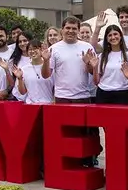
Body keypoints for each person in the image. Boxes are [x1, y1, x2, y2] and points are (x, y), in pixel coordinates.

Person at [41, 16, 98, 167]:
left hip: (83, 97)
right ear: (62, 30)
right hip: (62, 98)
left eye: (74, 28)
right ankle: (67, 164)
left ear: (78, 30)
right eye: (68, 28)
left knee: (83, 135)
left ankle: (86, 163)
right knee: (65, 134)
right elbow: (46, 75)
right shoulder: (54, 49)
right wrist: (46, 60)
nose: (71, 31)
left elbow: (93, 72)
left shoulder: (87, 47)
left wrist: (89, 64)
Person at [92, 24, 128, 105]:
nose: (113, 37)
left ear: (121, 36)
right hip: (103, 93)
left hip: (123, 93)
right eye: (110, 35)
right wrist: (94, 68)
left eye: (115, 34)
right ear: (107, 39)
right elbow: (96, 82)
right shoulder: (102, 56)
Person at [11, 36, 54, 104]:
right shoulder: (24, 69)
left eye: (35, 48)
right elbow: (22, 92)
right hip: (31, 105)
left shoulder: (49, 66)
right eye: (30, 49)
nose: (32, 51)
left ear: (41, 50)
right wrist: (19, 78)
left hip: (48, 104)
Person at [79, 22, 97, 100]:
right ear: (78, 34)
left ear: (91, 33)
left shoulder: (96, 47)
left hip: (93, 90)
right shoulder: (75, 48)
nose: (85, 35)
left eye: (87, 32)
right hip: (80, 90)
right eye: (82, 32)